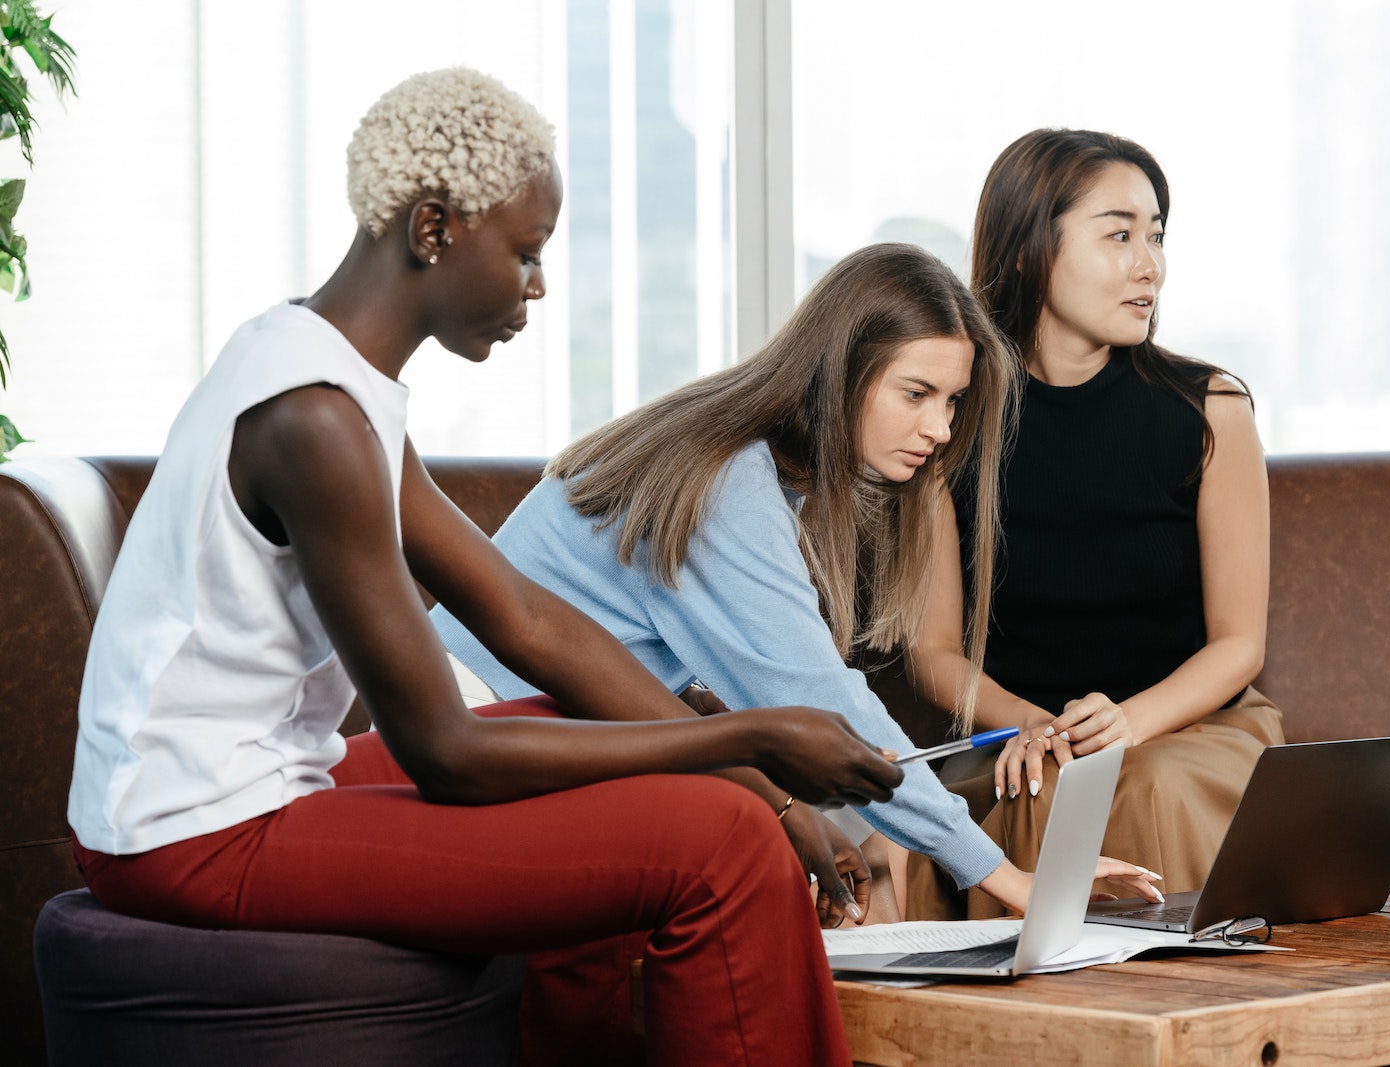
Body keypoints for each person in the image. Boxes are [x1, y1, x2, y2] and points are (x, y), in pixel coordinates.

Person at [64, 68, 906, 1067]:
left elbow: (524, 618)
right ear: (433, 229)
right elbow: (446, 751)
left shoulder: (332, 374)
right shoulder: (314, 421)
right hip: (193, 832)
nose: (537, 288)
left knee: (643, 752)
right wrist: (753, 737)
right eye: (525, 254)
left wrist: (750, 772)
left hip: (254, 783)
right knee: (715, 848)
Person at [433, 242, 1164, 919]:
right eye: (916, 394)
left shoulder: (765, 466)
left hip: (553, 713)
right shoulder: (729, 484)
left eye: (951, 401)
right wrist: (1007, 877)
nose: (941, 428)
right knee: (747, 838)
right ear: (840, 371)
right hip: (482, 720)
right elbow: (819, 695)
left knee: (824, 829)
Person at [902, 128, 1286, 919]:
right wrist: (1036, 723)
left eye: (1156, 235)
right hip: (1024, 741)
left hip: (1192, 732)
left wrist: (1128, 723)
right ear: (1028, 250)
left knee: (1149, 784)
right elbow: (932, 654)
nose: (1150, 264)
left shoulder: (1211, 409)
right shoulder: (950, 420)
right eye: (1119, 234)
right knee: (1041, 792)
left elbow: (1239, 644)